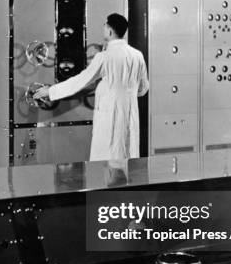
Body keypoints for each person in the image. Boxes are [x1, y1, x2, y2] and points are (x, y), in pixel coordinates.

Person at [33, 13, 149, 161]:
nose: (103, 29)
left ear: (109, 31)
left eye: (104, 26)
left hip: (110, 117)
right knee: (127, 156)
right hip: (130, 113)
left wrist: (50, 91)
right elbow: (143, 88)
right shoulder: (137, 55)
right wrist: (127, 92)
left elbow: (80, 81)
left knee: (108, 158)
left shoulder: (104, 57)